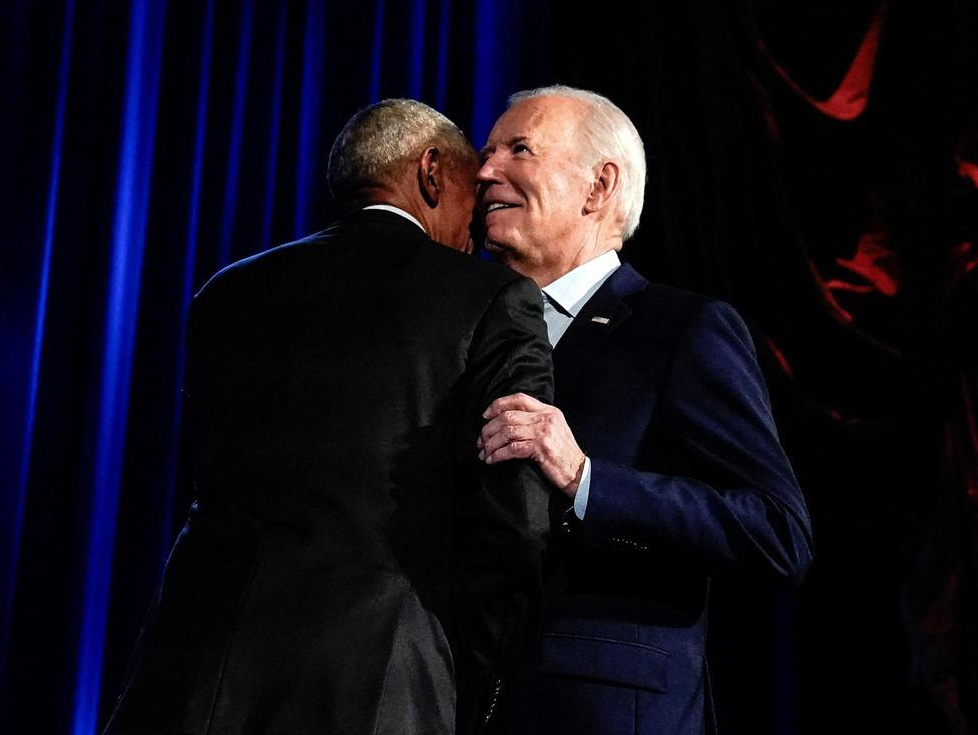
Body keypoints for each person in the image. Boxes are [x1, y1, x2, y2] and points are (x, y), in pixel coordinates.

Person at [103, 99, 555, 735]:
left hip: (195, 667)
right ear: (430, 173)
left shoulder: (228, 291)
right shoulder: (490, 301)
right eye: (467, 187)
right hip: (376, 678)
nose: (477, 224)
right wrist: (474, 671)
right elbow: (515, 520)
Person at [474, 85, 814, 734]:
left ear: (599, 186)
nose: (487, 171)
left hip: (605, 712)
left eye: (519, 149)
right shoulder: (466, 334)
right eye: (487, 152)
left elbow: (777, 532)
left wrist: (585, 480)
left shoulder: (679, 330)